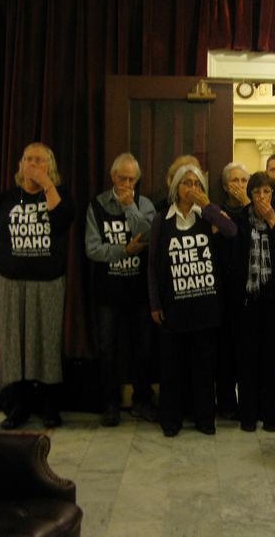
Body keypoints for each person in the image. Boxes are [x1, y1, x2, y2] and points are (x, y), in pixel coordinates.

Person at [0, 142, 75, 429]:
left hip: (47, 283)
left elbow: (61, 221)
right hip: (9, 282)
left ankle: (50, 407)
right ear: (20, 165)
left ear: (51, 167)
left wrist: (47, 185)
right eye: (29, 159)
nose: (34, 164)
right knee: (14, 346)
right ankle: (17, 406)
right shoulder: (6, 199)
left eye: (41, 160)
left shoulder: (60, 196)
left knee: (46, 344)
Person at [148, 163, 237, 437]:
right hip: (174, 306)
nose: (192, 188)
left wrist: (207, 205)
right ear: (176, 187)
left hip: (205, 306)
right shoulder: (162, 220)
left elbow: (231, 230)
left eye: (197, 183)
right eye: (187, 183)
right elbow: (152, 265)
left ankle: (204, 419)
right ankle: (170, 420)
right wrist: (155, 303)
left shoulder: (207, 216)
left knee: (203, 368)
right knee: (172, 368)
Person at [85, 152, 157, 427]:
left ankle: (142, 400)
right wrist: (123, 250)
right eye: (122, 178)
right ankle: (110, 403)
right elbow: (92, 248)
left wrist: (130, 208)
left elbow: (149, 236)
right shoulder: (97, 205)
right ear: (113, 177)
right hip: (108, 291)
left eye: (132, 179)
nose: (127, 183)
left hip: (139, 291)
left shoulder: (144, 204)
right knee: (108, 349)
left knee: (143, 348)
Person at [231, 172, 275, 432]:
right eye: (257, 192)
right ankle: (248, 414)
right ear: (250, 194)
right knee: (247, 359)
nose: (261, 197)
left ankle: (270, 414)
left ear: (273, 194)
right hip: (247, 301)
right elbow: (234, 260)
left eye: (266, 192)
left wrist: (271, 220)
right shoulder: (239, 220)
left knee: (272, 360)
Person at [215, 162, 251, 420]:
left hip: (248, 290)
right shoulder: (217, 212)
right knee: (224, 350)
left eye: (243, 180)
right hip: (222, 289)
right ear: (226, 186)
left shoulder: (253, 211)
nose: (240, 185)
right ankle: (226, 402)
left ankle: (247, 402)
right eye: (235, 181)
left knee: (245, 350)